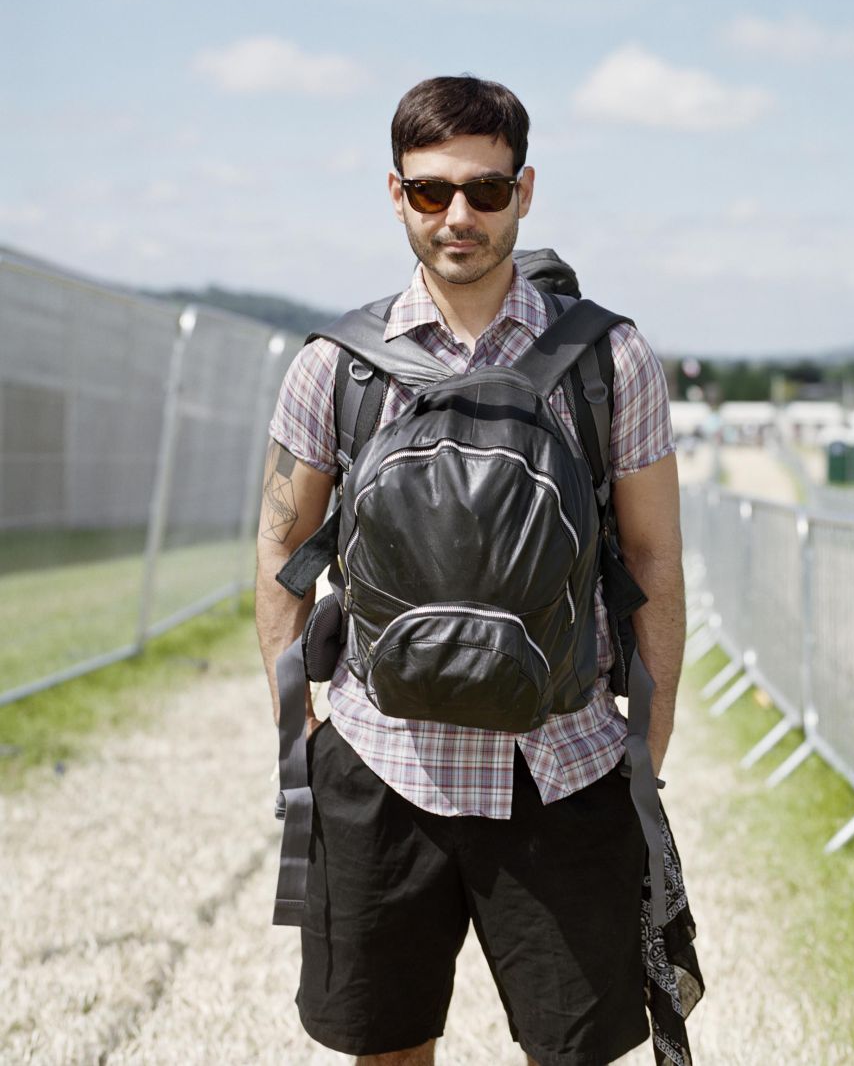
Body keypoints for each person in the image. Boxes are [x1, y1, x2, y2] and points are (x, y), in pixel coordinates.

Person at [256, 75, 689, 1066]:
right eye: (430, 190)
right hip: (381, 762)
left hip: (565, 765)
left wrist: (646, 751)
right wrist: (302, 734)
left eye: (486, 190)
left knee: (574, 1053)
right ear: (396, 195)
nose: (459, 215)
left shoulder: (610, 361)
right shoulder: (337, 365)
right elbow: (281, 549)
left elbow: (655, 561)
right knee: (386, 1051)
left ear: (524, 191)